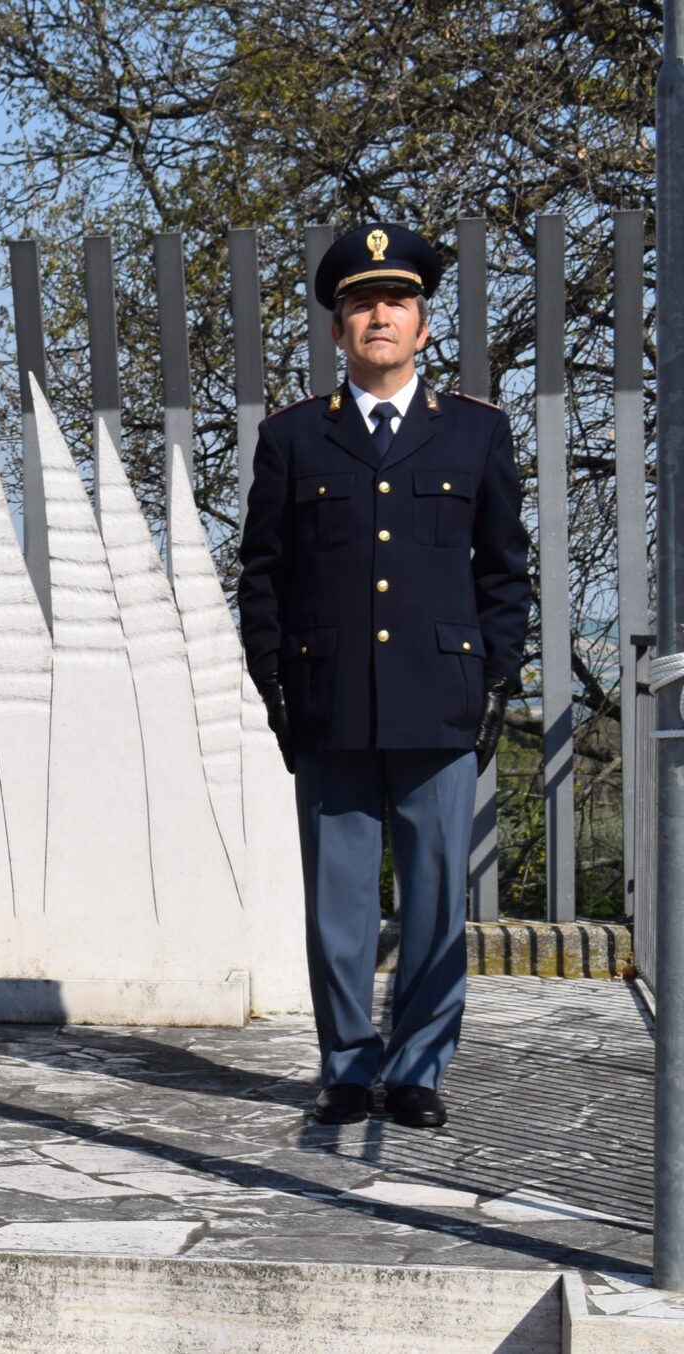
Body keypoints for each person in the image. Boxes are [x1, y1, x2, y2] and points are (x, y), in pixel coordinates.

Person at [239, 223, 530, 1130]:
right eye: (360, 304)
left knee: (439, 901)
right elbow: (262, 575)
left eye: (395, 303)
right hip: (329, 703)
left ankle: (419, 1070)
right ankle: (348, 1066)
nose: (379, 317)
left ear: (423, 325)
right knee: (338, 906)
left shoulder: (475, 434)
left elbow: (503, 575)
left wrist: (494, 688)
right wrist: (276, 689)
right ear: (337, 331)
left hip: (440, 703)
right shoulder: (294, 438)